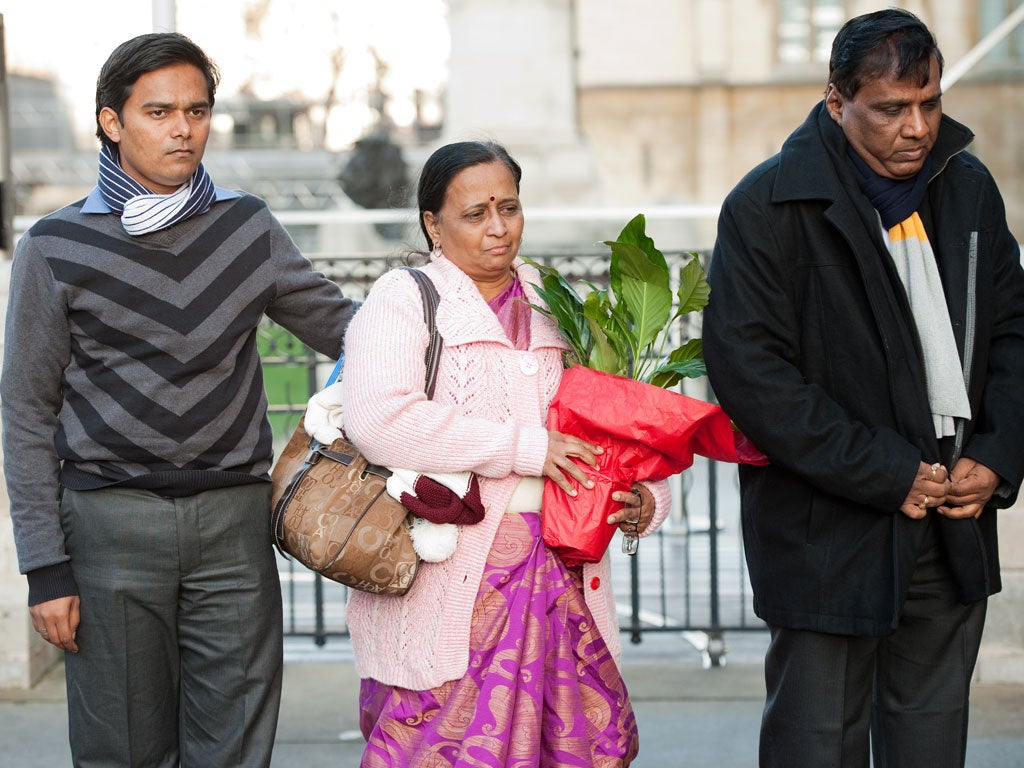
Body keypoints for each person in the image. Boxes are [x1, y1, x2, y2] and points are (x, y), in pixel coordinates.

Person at [1, 33, 356, 766]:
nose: (182, 128)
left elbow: (345, 326)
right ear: (111, 121)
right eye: (158, 111)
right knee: (121, 750)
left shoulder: (245, 226)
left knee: (235, 749)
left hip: (233, 524)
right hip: (107, 526)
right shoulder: (54, 245)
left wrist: (459, 314)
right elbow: (27, 411)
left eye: (196, 111)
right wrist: (46, 569)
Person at [702, 9, 1024, 767]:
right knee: (817, 748)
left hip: (951, 526)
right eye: (891, 109)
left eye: (931, 103)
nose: (917, 128)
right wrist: (886, 473)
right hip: (825, 535)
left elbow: (1014, 331)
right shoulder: (766, 206)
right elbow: (751, 375)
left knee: (931, 746)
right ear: (835, 98)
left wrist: (1000, 454)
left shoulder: (969, 187)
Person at [330, 140, 670, 767]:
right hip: (448, 590)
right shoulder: (404, 300)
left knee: (576, 746)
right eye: (475, 213)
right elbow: (379, 421)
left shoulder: (557, 304)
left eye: (508, 208)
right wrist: (525, 449)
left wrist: (645, 499)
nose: (497, 229)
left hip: (563, 582)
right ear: (433, 223)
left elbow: (617, 423)